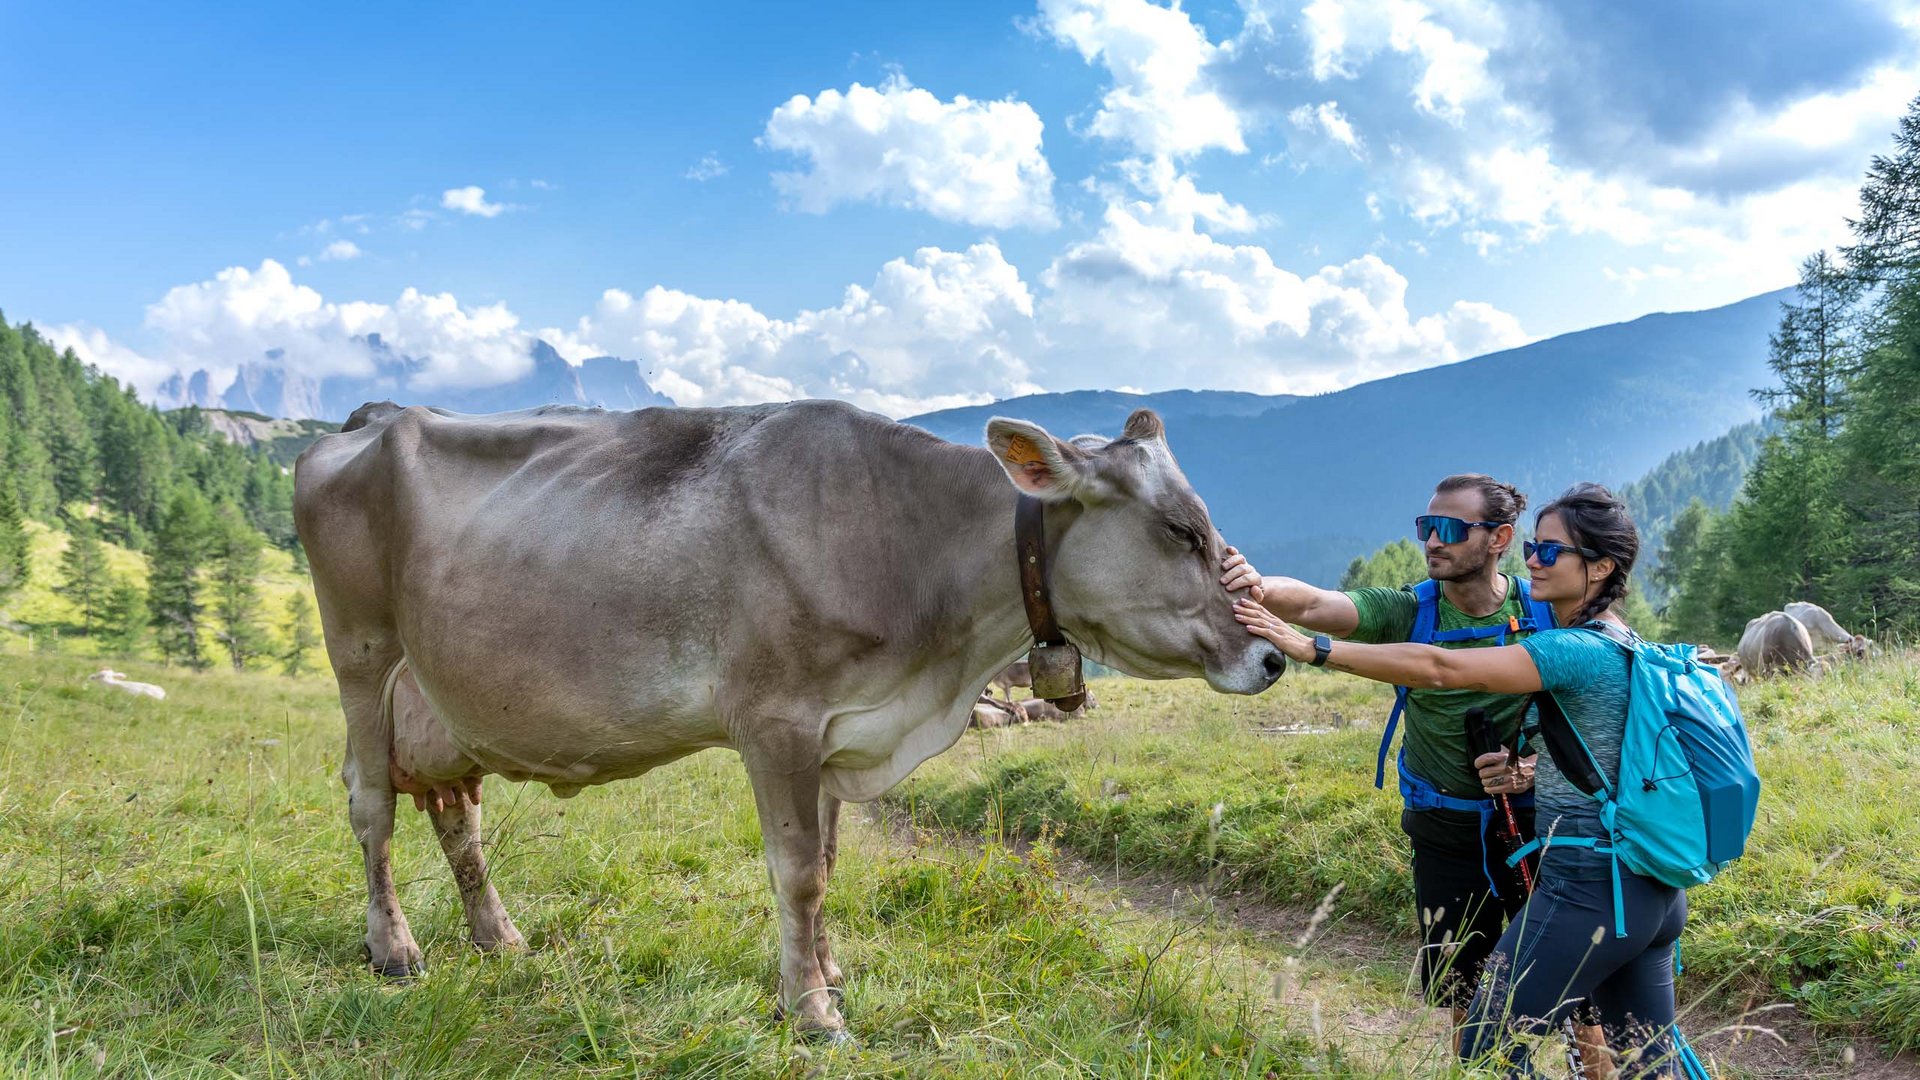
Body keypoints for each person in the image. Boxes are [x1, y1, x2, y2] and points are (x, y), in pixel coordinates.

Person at [1235, 484, 1684, 1078]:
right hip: (1645, 886)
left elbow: (1440, 668)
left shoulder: (1570, 643)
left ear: (1600, 567)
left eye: (1550, 552)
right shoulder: (1620, 639)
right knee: (1648, 1060)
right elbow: (1602, 745)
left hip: (1581, 883)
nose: (1534, 560)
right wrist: (1256, 588)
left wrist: (1313, 650)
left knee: (1488, 1045)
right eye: (1535, 547)